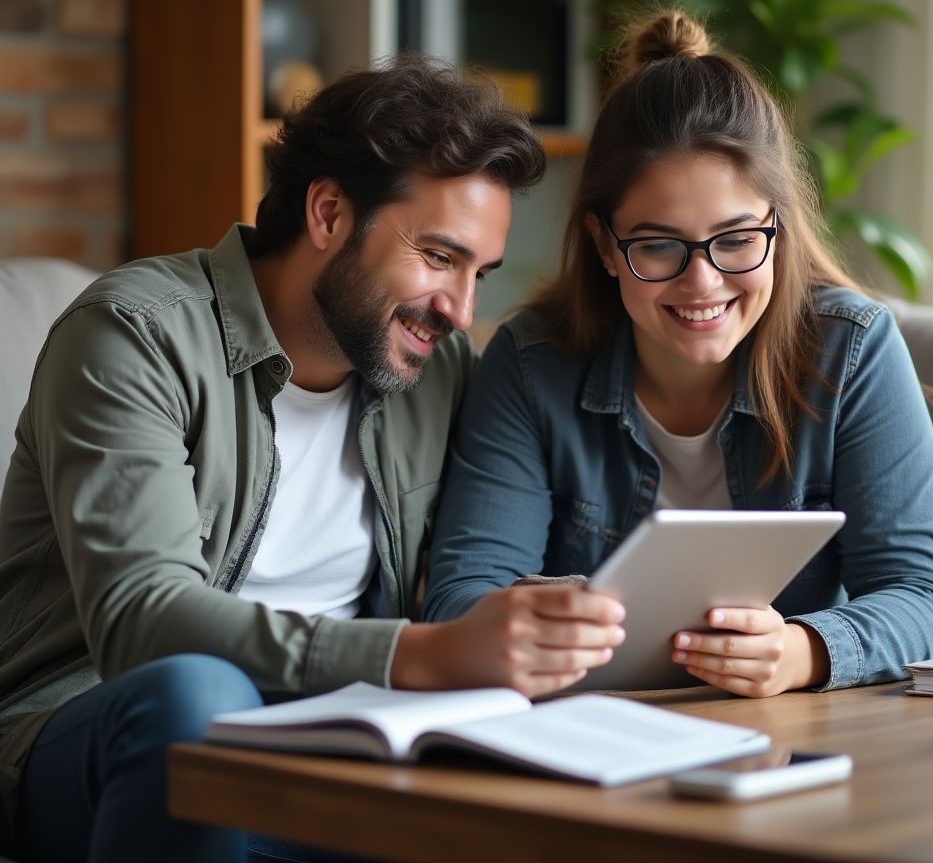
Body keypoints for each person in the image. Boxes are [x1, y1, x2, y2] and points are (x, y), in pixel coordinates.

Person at [0, 57, 626, 863]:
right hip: (85, 731)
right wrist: (418, 656)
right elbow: (143, 621)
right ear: (329, 211)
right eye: (439, 257)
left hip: (346, 745)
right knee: (198, 694)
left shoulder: (439, 373)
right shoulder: (135, 336)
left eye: (480, 274)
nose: (460, 310)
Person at [424, 9, 933, 697]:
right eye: (657, 245)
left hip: (798, 734)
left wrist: (801, 652)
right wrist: (542, 631)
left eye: (737, 240)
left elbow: (925, 598)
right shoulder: (531, 365)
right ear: (603, 246)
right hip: (597, 728)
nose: (702, 282)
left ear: (779, 224)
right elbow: (463, 602)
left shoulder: (851, 349)